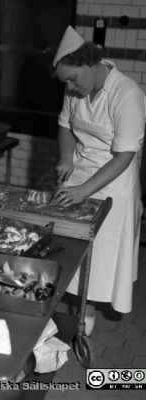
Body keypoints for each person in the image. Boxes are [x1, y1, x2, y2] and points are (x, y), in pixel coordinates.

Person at [52, 26, 146, 335]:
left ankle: (85, 320)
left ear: (90, 65)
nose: (69, 87)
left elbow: (124, 156)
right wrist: (66, 158)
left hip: (113, 182)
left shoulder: (127, 93)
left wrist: (84, 191)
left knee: (102, 255)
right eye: (65, 81)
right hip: (79, 172)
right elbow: (65, 126)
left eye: (72, 78)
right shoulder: (75, 91)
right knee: (71, 246)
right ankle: (71, 309)